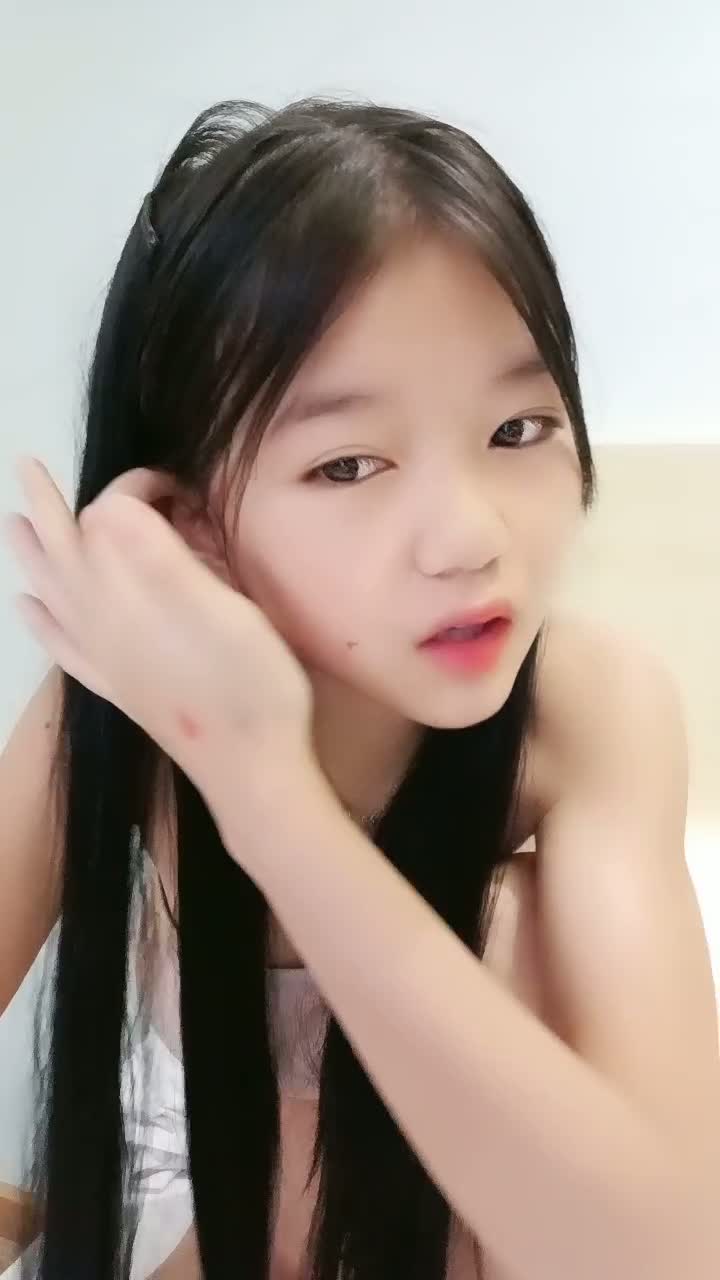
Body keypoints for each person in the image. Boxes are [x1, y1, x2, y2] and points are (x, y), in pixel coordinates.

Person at [1, 98, 717, 1280]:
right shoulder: (130, 697)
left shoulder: (590, 713)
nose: (470, 538)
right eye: (347, 463)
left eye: (518, 428)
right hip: (230, 1243)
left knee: (513, 929)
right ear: (190, 522)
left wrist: (266, 792)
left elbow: (669, 1257)